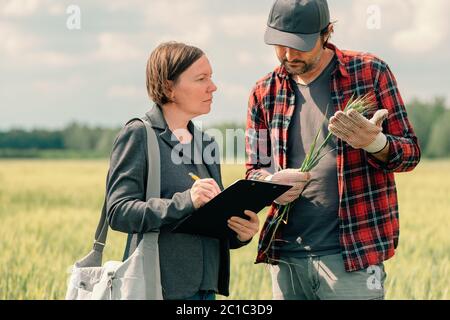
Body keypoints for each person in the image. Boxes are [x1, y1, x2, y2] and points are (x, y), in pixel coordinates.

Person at [245, 0, 421, 300]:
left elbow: (410, 153)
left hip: (353, 256)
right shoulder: (264, 92)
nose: (288, 55)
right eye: (280, 44)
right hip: (285, 258)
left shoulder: (370, 73)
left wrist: (375, 144)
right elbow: (254, 170)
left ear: (327, 33)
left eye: (299, 44)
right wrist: (270, 185)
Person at [106, 41, 259, 300]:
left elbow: (206, 220)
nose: (213, 86)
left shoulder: (207, 143)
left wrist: (238, 233)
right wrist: (185, 200)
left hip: (205, 290)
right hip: (156, 288)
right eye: (201, 78)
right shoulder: (139, 134)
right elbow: (118, 212)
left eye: (211, 77)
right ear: (169, 87)